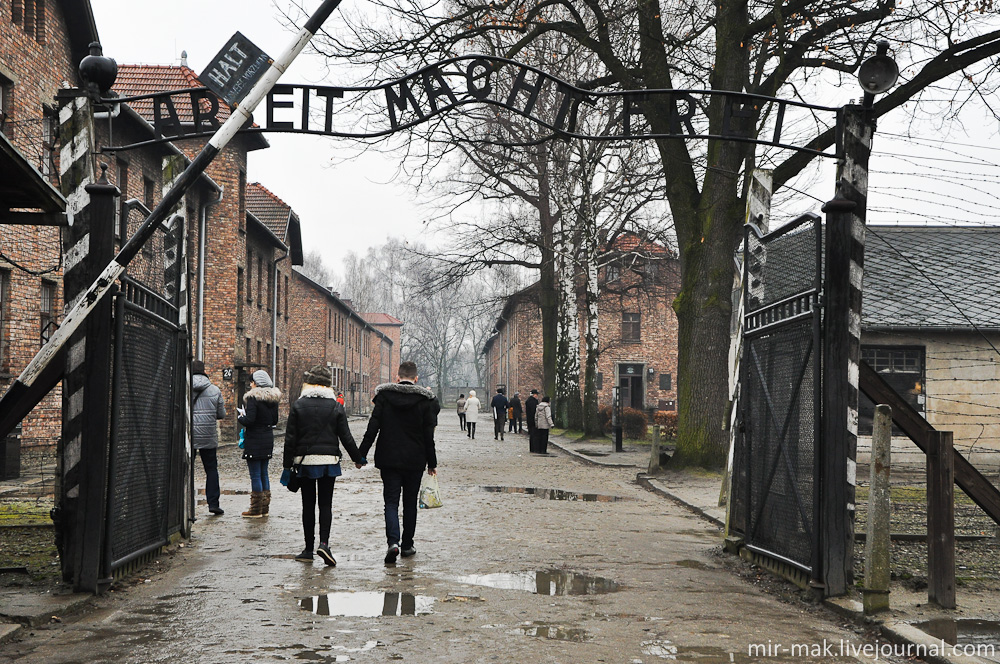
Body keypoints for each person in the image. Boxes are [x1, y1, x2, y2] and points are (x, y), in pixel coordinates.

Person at [359, 361, 440, 564]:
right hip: (415, 460)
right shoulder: (424, 401)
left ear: (397, 377)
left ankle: (392, 542)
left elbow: (372, 428)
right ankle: (407, 545)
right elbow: (428, 436)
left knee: (391, 502)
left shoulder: (384, 397)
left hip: (389, 458)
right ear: (416, 378)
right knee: (410, 503)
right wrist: (432, 462)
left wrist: (361, 455)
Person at [284, 365, 366, 565]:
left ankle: (308, 549)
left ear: (309, 383)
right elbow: (346, 437)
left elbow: (290, 439)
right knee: (326, 504)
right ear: (328, 384)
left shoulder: (298, 405)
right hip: (329, 461)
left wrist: (287, 466)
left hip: (305, 462)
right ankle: (325, 544)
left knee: (308, 505)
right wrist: (358, 458)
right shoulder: (335, 407)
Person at [238, 370, 281, 518]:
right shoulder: (273, 399)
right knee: (264, 473)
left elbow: (250, 420)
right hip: (267, 438)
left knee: (255, 475)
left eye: (252, 382)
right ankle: (265, 508)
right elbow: (275, 420)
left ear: (257, 383)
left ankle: (256, 509)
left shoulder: (253, 398)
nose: (250, 384)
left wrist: (241, 418)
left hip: (255, 438)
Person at [191, 360, 227, 515]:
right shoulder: (214, 390)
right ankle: (213, 503)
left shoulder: (184, 387)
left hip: (189, 435)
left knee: (186, 469)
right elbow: (221, 414)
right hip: (208, 435)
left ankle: (185, 503)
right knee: (211, 469)